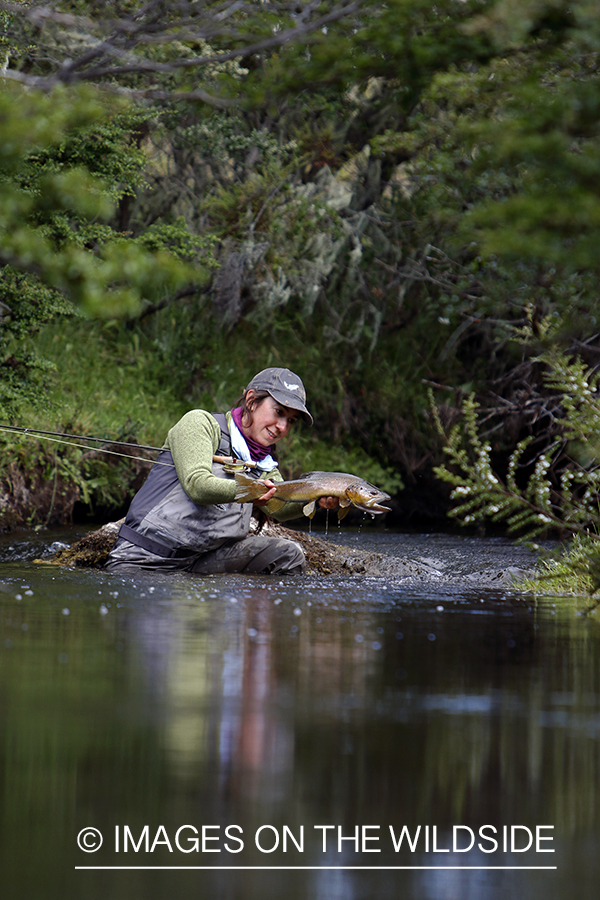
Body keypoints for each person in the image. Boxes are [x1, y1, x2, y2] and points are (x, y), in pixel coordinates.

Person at [106, 367, 337, 575]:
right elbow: (198, 485)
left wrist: (316, 500)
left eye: (291, 421)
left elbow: (280, 507)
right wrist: (252, 491)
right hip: (141, 559)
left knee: (288, 555)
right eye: (278, 412)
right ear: (251, 400)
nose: (283, 427)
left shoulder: (264, 464)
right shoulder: (200, 424)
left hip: (199, 564)